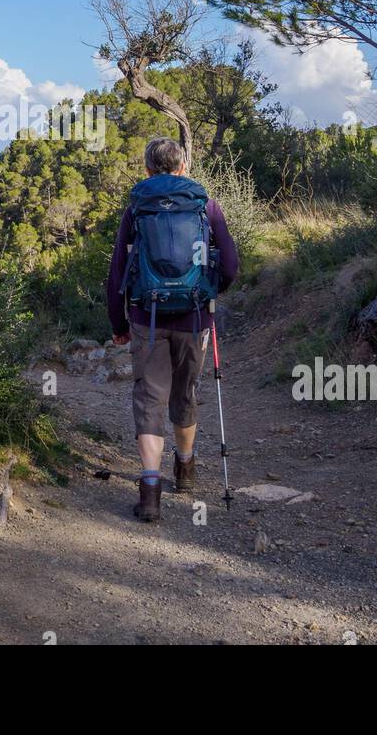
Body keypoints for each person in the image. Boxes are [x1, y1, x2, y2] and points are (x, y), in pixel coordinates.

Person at [105, 137, 239, 522]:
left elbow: (118, 270)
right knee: (186, 391)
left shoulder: (137, 207)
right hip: (195, 316)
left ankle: (150, 493)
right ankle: (185, 469)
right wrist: (210, 293)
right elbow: (229, 264)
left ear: (148, 169)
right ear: (183, 167)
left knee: (149, 398)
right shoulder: (205, 206)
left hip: (147, 317)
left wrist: (118, 322)